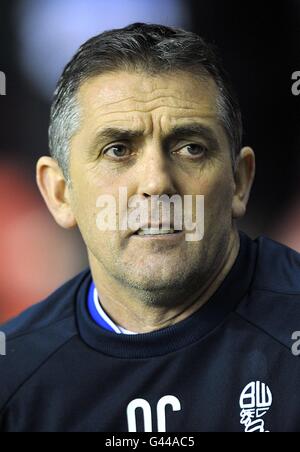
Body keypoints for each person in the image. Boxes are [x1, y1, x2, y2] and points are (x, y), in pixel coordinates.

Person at [0, 23, 299, 433]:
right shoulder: (11, 375)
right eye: (118, 150)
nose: (157, 182)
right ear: (59, 192)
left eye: (191, 148)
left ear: (240, 182)